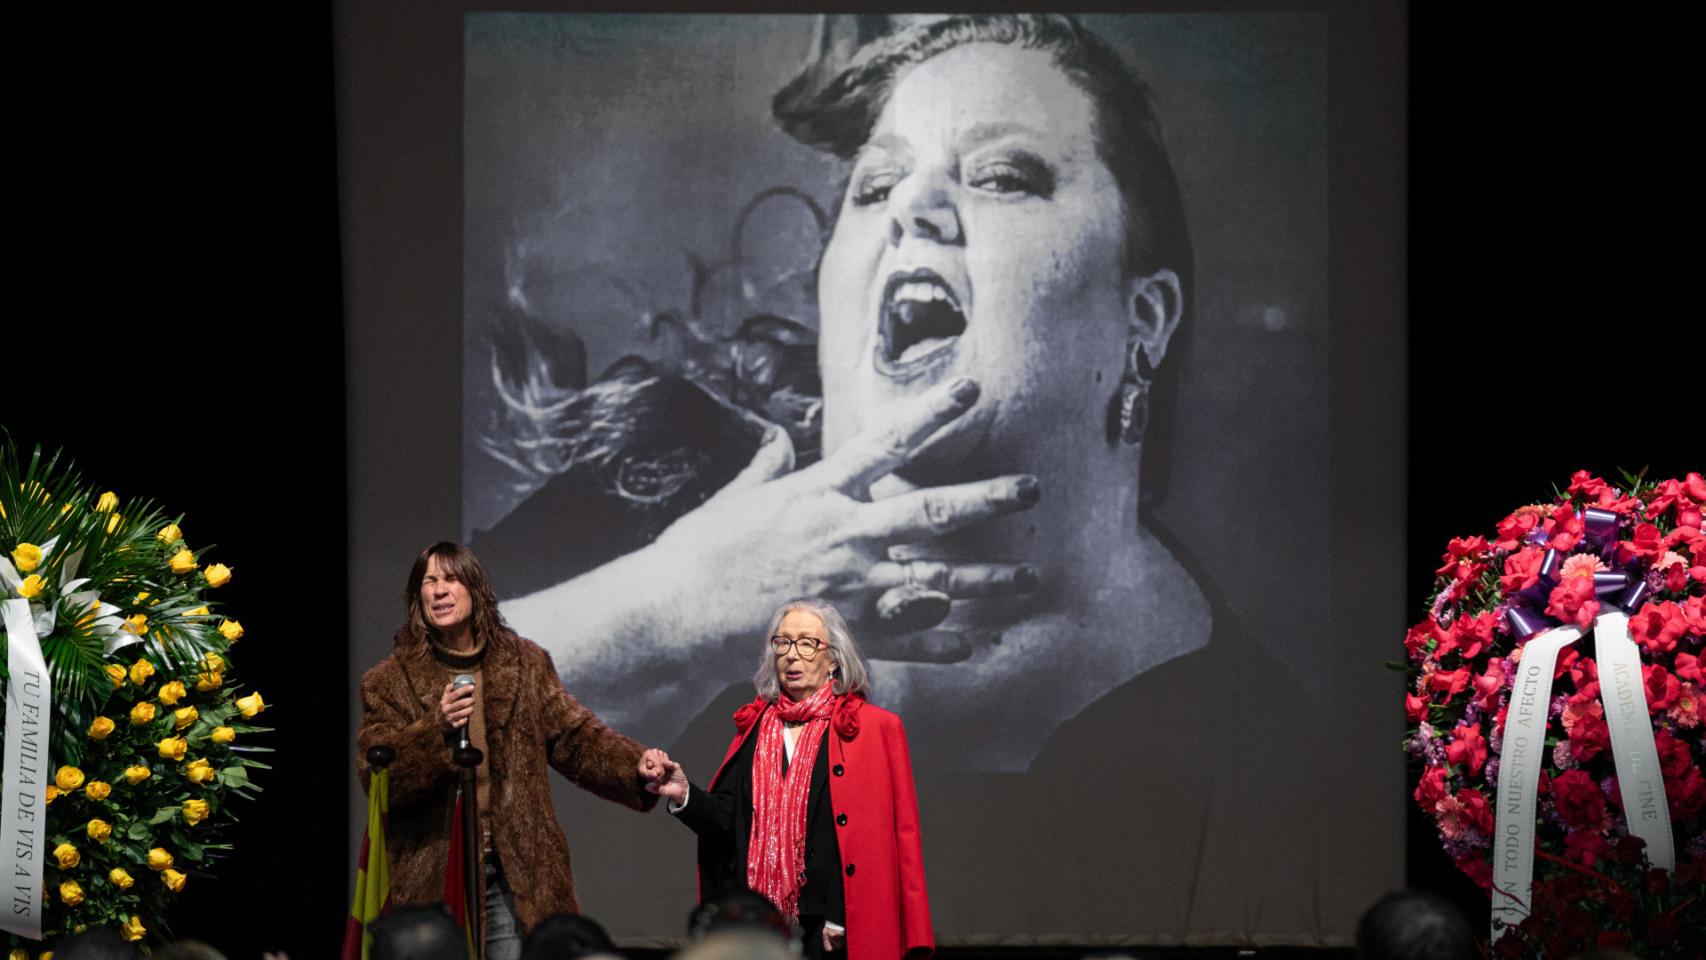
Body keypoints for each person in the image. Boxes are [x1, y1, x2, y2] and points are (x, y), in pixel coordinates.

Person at [497, 12, 1206, 773]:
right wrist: (678, 613)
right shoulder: (647, 489)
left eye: (1001, 176)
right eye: (876, 186)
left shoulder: (1240, 738)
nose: (911, 207)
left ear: (1145, 318)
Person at [357, 542, 665, 959]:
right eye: (429, 581)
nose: (440, 590)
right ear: (418, 598)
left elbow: (575, 737)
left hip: (514, 871)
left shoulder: (524, 663)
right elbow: (377, 778)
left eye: (451, 579)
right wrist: (435, 729)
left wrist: (635, 765)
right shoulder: (388, 682)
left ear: (475, 589)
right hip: (435, 881)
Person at [643, 598, 932, 960]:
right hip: (759, 922)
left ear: (834, 659)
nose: (792, 655)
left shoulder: (873, 727)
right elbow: (728, 822)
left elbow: (879, 836)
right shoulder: (756, 726)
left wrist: (841, 915)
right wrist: (684, 793)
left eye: (807, 643)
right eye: (783, 642)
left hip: (832, 925)